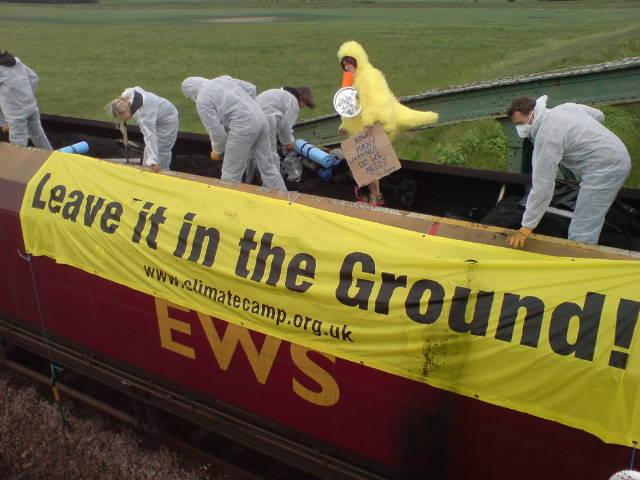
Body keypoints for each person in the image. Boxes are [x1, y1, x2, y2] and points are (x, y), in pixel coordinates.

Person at [506, 95, 631, 247]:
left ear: (532, 114)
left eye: (520, 123)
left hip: (606, 166)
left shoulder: (546, 135)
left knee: (583, 228)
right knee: (591, 214)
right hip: (617, 153)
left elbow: (542, 186)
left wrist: (526, 227)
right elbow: (599, 115)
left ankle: (580, 263)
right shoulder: (565, 108)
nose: (520, 129)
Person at [337, 41, 438, 206]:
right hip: (363, 128)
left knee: (369, 163)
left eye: (350, 63)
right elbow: (352, 107)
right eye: (344, 65)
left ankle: (376, 197)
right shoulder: (353, 81)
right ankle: (375, 195)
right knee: (368, 163)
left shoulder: (370, 75)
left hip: (374, 125)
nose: (347, 67)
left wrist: (369, 122)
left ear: (358, 60)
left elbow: (375, 100)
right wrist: (344, 125)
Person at [181, 76, 287, 191]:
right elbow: (251, 88)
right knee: (268, 166)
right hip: (261, 119)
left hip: (242, 127)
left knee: (230, 175)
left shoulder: (202, 100)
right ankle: (283, 198)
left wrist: (217, 151)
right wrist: (250, 109)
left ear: (191, 94)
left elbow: (217, 133)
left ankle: (229, 205)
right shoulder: (223, 79)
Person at [247, 86, 315, 182]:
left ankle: (245, 182)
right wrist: (289, 142)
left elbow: (280, 120)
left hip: (250, 117)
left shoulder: (279, 94)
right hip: (266, 122)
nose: (303, 106)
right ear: (301, 98)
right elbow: (284, 127)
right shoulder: (293, 102)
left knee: (250, 153)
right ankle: (275, 186)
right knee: (271, 156)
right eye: (304, 103)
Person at [107, 86, 179, 172]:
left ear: (124, 111)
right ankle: (148, 172)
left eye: (121, 116)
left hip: (168, 121)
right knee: (149, 157)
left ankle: (162, 176)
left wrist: (153, 160)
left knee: (161, 150)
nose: (123, 119)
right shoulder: (129, 95)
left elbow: (149, 136)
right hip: (158, 114)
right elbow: (133, 89)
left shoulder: (143, 116)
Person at [0, 51, 52, 150]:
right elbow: (34, 78)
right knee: (39, 136)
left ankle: (18, 164)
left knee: (18, 145)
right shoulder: (16, 61)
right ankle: (52, 158)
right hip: (32, 107)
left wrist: (2, 122)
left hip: (15, 115)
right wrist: (27, 96)